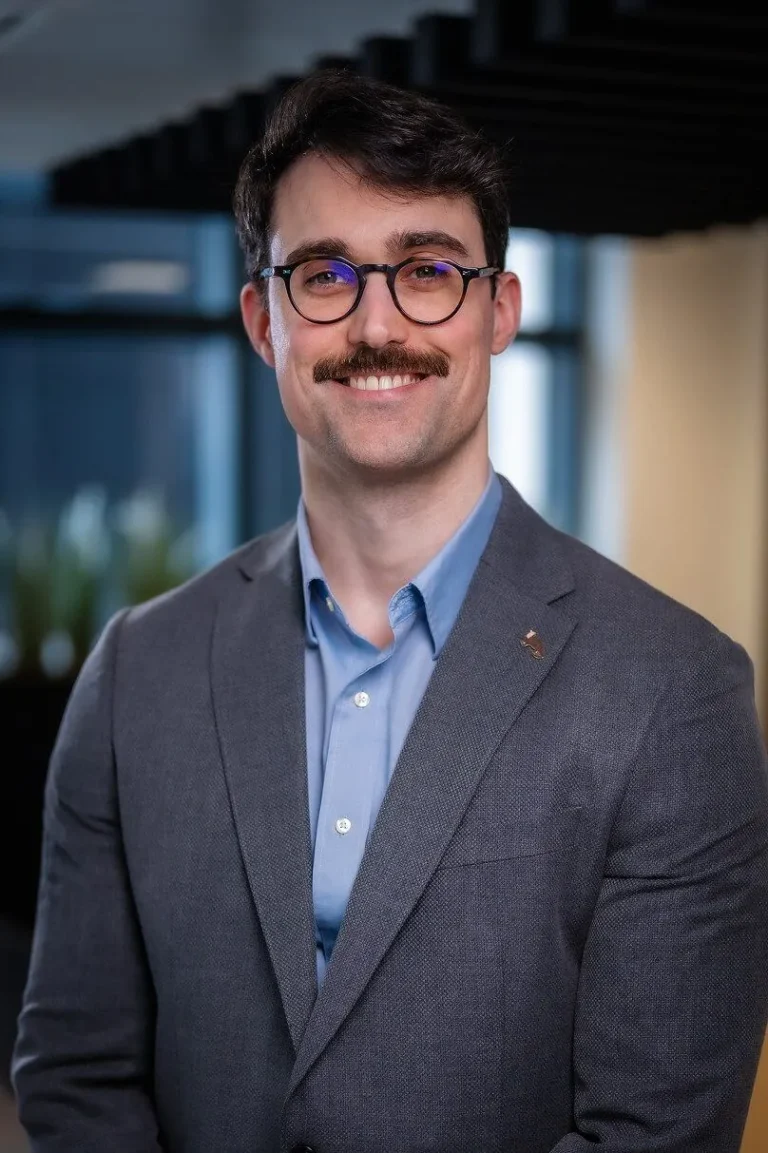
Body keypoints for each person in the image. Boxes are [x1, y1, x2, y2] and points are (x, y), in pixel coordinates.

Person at [12, 69, 768, 1153]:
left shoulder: (673, 689)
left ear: (499, 312)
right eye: (323, 274)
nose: (377, 324)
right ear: (263, 321)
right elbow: (79, 1075)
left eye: (427, 271)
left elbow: (657, 1133)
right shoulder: (138, 672)